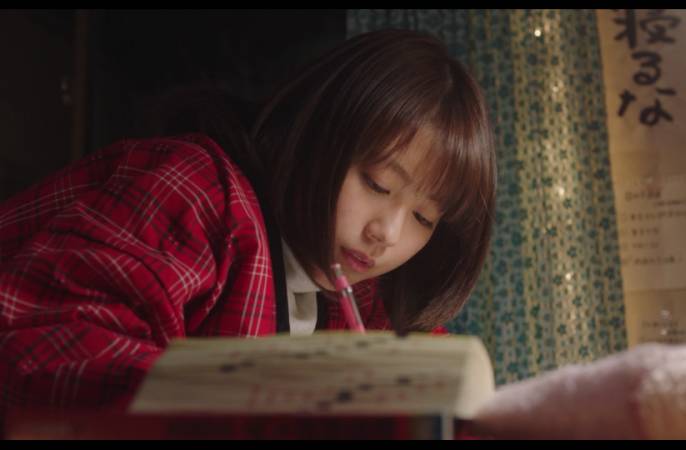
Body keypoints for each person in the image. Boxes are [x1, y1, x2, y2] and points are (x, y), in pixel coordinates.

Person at [0, 29, 497, 416]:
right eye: (377, 183)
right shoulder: (197, 192)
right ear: (318, 133)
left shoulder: (358, 299)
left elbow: (444, 383)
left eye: (423, 217)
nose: (386, 234)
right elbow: (52, 352)